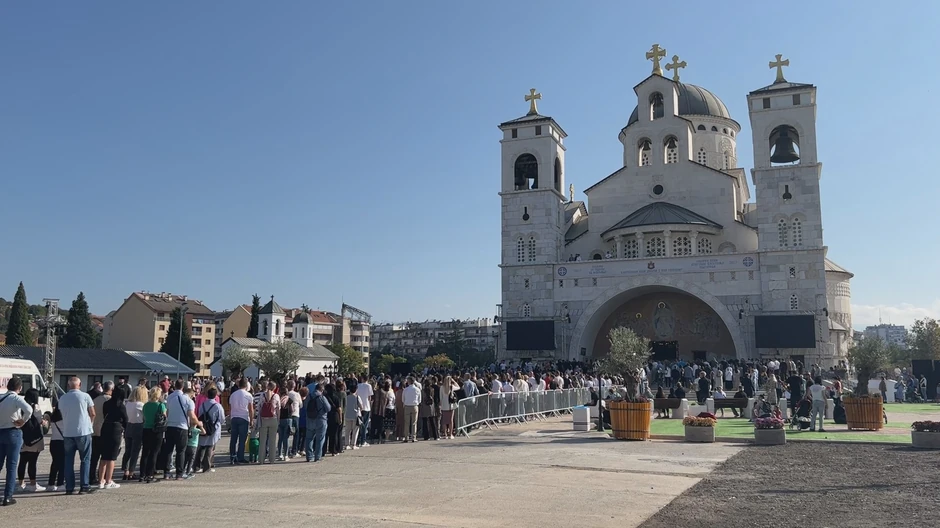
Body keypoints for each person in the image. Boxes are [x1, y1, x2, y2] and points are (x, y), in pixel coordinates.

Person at [58, 376, 97, 495]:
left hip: (68, 432)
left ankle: (69, 487)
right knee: (85, 459)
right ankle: (84, 485)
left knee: (68, 460)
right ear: (79, 385)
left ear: (69, 385)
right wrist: (89, 424)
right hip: (83, 431)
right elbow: (93, 413)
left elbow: (61, 413)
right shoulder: (85, 396)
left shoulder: (63, 398)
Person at [0, 377, 34, 506]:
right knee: (11, 465)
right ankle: (8, 496)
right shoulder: (16, 398)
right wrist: (23, 420)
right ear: (19, 388)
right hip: (12, 431)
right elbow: (29, 410)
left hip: (0, 430)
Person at [159, 380, 200, 480]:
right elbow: (192, 416)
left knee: (168, 450)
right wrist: (199, 423)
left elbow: (167, 413)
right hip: (182, 427)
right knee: (180, 451)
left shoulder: (170, 398)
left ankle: (167, 473)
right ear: (183, 388)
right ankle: (179, 474)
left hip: (170, 426)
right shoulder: (188, 400)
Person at [97, 386, 128, 489]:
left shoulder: (106, 404)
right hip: (116, 428)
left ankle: (100, 481)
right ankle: (108, 481)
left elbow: (105, 414)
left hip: (105, 427)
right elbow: (125, 420)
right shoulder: (121, 406)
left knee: (104, 456)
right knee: (112, 457)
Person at [194, 386, 224, 473]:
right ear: (215, 396)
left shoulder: (203, 404)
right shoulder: (218, 406)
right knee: (210, 447)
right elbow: (222, 419)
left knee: (201, 447)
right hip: (213, 428)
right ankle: (206, 467)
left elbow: (199, 414)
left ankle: (196, 466)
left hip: (203, 427)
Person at [140, 387, 166, 483]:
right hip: (156, 430)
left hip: (146, 428)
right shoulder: (160, 405)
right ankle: (150, 474)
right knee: (154, 453)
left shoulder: (145, 405)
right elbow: (164, 417)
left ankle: (142, 474)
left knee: (145, 452)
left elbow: (144, 417)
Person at [121, 385, 147, 481]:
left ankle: (125, 470)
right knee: (135, 451)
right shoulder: (141, 405)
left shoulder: (127, 403)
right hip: (138, 426)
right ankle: (131, 472)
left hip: (129, 425)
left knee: (128, 450)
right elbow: (144, 418)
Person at [90, 381, 113, 485]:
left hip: (94, 430)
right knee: (105, 457)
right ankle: (103, 477)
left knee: (94, 457)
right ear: (111, 389)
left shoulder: (94, 400)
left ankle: (91, 476)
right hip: (106, 431)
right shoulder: (110, 401)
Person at [227, 378, 253, 465]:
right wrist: (251, 420)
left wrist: (230, 418)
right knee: (242, 439)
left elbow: (230, 408)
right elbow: (251, 409)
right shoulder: (248, 395)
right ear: (246, 386)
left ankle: (232, 456)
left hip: (234, 417)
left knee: (233, 439)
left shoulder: (233, 395)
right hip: (243, 417)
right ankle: (240, 457)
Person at [305, 383, 330, 462]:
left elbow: (305, 406)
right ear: (322, 390)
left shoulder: (309, 396)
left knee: (309, 438)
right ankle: (317, 456)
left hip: (310, 420)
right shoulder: (322, 397)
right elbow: (328, 408)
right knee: (320, 439)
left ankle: (309, 456)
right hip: (320, 420)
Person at [257, 381, 280, 465]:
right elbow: (278, 409)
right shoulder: (276, 396)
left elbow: (259, 407)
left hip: (264, 419)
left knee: (262, 440)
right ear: (274, 388)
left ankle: (261, 460)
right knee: (272, 440)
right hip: (273, 418)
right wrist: (278, 420)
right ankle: (272, 459)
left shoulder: (262, 395)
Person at [46, 406, 66, 492]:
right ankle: (60, 483)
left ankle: (51, 483)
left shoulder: (53, 419)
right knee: (62, 464)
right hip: (62, 442)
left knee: (54, 463)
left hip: (53, 442)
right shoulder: (64, 420)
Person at [355, 375, 374, 447]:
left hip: (359, 406)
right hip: (366, 406)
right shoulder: (369, 386)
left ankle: (358, 440)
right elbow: (369, 397)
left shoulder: (358, 385)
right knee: (365, 424)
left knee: (359, 424)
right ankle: (363, 440)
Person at [402, 377, 421, 443]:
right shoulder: (417, 389)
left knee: (407, 422)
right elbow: (419, 399)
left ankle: (406, 437)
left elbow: (403, 399)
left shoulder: (405, 390)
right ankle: (413, 437)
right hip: (415, 405)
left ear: (409, 381)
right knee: (414, 422)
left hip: (407, 406)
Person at [344, 384, 364, 449]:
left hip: (347, 414)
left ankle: (347, 444)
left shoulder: (346, 397)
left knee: (347, 430)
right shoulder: (357, 397)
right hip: (355, 415)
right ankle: (353, 444)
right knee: (355, 430)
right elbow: (361, 407)